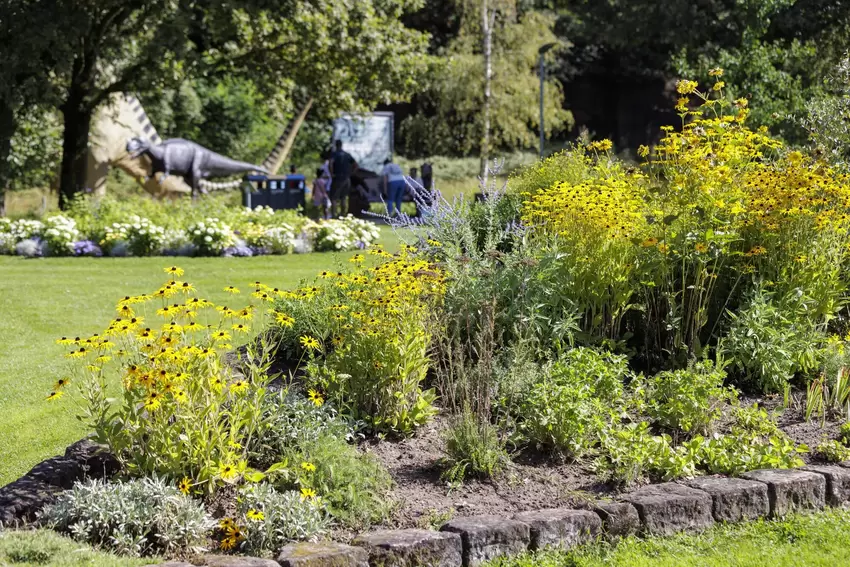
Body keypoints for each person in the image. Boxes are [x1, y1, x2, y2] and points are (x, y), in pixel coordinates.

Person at [328, 140, 358, 217]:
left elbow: (331, 163)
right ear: (341, 145)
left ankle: (334, 214)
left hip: (337, 177)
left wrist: (332, 174)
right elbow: (355, 164)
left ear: (336, 145)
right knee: (343, 197)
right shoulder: (347, 155)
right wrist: (351, 173)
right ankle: (343, 214)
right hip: (346, 178)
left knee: (334, 197)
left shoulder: (334, 154)